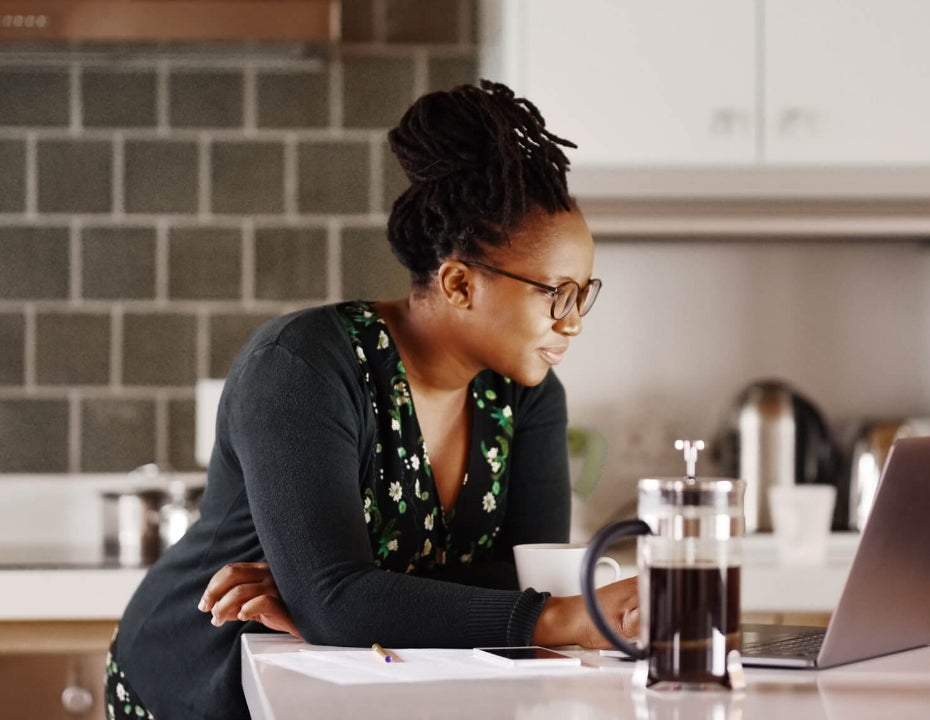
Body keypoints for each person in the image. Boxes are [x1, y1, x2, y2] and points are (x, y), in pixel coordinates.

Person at [106, 80, 638, 720]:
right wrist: (337, 600)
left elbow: (525, 583)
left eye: (584, 295)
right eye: (556, 294)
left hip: (369, 682)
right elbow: (348, 603)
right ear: (459, 284)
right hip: (196, 683)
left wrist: (343, 598)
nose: (573, 322)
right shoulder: (303, 366)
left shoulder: (526, 397)